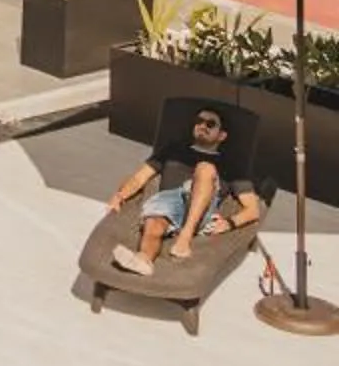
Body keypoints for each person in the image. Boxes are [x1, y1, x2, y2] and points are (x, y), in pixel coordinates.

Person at [107, 102, 262, 274]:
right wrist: (120, 196)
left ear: (222, 135)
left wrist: (230, 223)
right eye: (199, 121)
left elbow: (253, 210)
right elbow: (139, 177)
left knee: (205, 168)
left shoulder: (230, 164)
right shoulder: (173, 149)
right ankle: (143, 260)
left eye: (210, 124)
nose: (202, 126)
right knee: (154, 223)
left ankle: (184, 238)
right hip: (168, 202)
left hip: (202, 210)